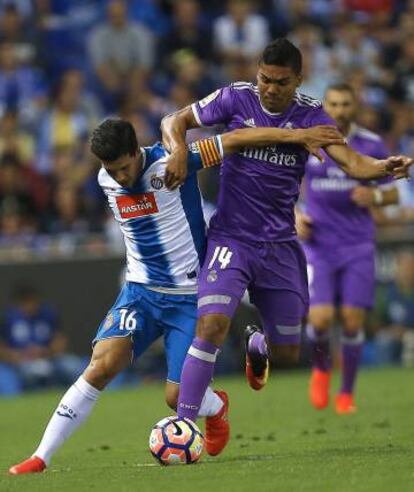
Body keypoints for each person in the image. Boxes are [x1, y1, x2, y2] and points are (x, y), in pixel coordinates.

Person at [8, 116, 343, 474]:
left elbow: (236, 139)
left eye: (124, 167)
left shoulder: (174, 160)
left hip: (189, 297)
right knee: (100, 366)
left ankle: (216, 408)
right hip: (140, 293)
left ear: (136, 152)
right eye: (111, 169)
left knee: (175, 398)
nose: (119, 176)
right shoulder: (105, 179)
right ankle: (41, 457)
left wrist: (296, 135)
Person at [160, 38, 413, 446]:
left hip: (280, 245)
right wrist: (175, 150)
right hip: (231, 237)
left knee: (288, 351)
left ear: (298, 79)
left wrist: (384, 167)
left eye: (280, 82)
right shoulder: (233, 98)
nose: (270, 88)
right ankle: (185, 427)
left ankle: (256, 345)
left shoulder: (313, 116)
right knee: (211, 324)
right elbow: (175, 120)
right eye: (265, 79)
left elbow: (352, 163)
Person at [295, 83, 400, 414]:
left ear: (355, 107)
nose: (339, 110)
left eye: (345, 104)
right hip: (319, 244)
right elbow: (284, 186)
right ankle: (322, 369)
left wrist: (376, 196)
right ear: (325, 106)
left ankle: (347, 394)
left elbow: (395, 192)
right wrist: (294, 214)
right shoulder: (311, 139)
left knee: (353, 323)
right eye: (334, 104)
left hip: (357, 243)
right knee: (321, 319)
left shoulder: (370, 143)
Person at [0, 285, 84, 396]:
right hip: (22, 362)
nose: (30, 306)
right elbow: (3, 347)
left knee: (73, 366)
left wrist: (46, 351)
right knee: (32, 373)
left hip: (50, 358)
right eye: (26, 302)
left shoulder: (47, 314)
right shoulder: (9, 318)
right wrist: (18, 356)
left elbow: (60, 340)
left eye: (32, 301)